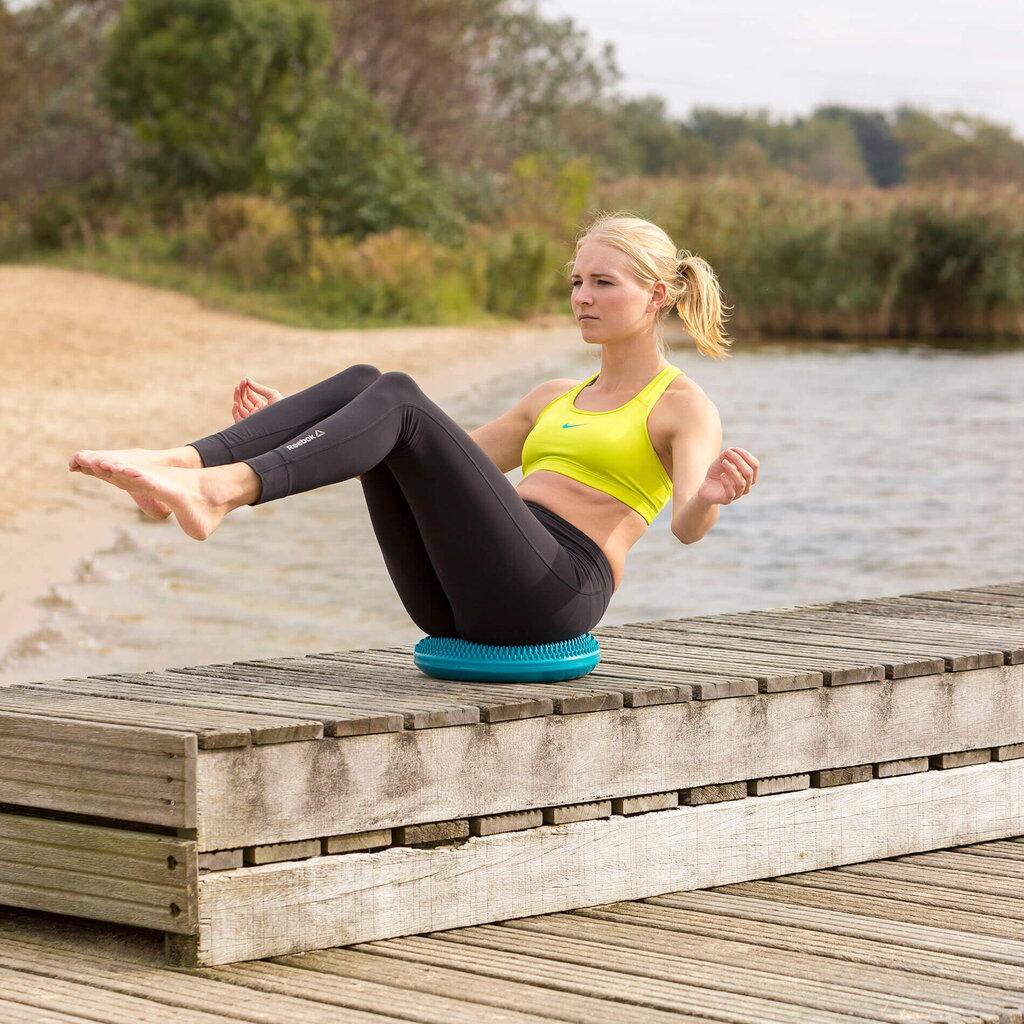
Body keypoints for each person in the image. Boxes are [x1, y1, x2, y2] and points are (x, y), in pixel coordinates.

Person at [69, 213, 759, 647]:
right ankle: (181, 467)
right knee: (369, 387)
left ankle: (219, 492)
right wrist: (315, 426)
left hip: (556, 593)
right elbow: (420, 451)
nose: (582, 297)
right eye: (576, 281)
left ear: (658, 295)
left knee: (391, 395)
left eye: (603, 283)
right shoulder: (553, 396)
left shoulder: (682, 405)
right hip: (452, 599)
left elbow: (687, 527)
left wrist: (712, 496)